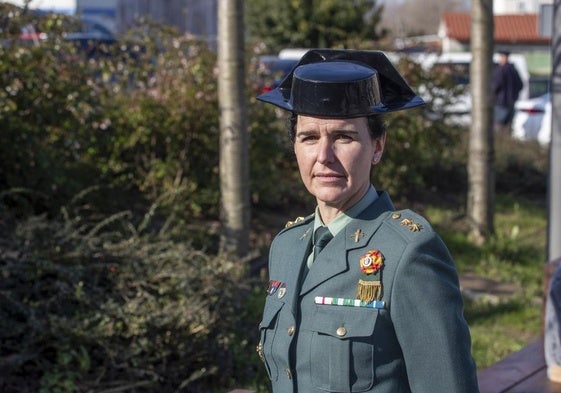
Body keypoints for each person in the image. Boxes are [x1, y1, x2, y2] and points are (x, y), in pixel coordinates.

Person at [255, 49, 479, 393]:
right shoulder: (286, 247)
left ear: (377, 146)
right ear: (295, 146)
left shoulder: (408, 253)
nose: (324, 156)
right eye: (309, 137)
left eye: (344, 137)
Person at [493, 50, 523, 134]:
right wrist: (514, 96)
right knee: (508, 126)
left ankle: (500, 143)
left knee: (498, 125)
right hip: (511, 102)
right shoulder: (513, 70)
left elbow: (495, 86)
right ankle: (507, 143)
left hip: (500, 102)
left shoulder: (500, 70)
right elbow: (520, 85)